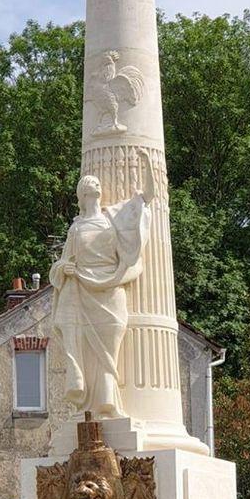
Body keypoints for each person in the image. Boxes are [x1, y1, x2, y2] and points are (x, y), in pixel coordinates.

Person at [49, 149, 155, 417]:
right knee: (90, 349)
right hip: (83, 290)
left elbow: (146, 199)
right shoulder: (76, 228)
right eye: (89, 185)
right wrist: (66, 268)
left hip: (112, 287)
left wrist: (146, 165)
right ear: (82, 197)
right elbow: (62, 264)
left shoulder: (112, 218)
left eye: (96, 184)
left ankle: (108, 399)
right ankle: (99, 403)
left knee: (113, 337)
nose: (95, 186)